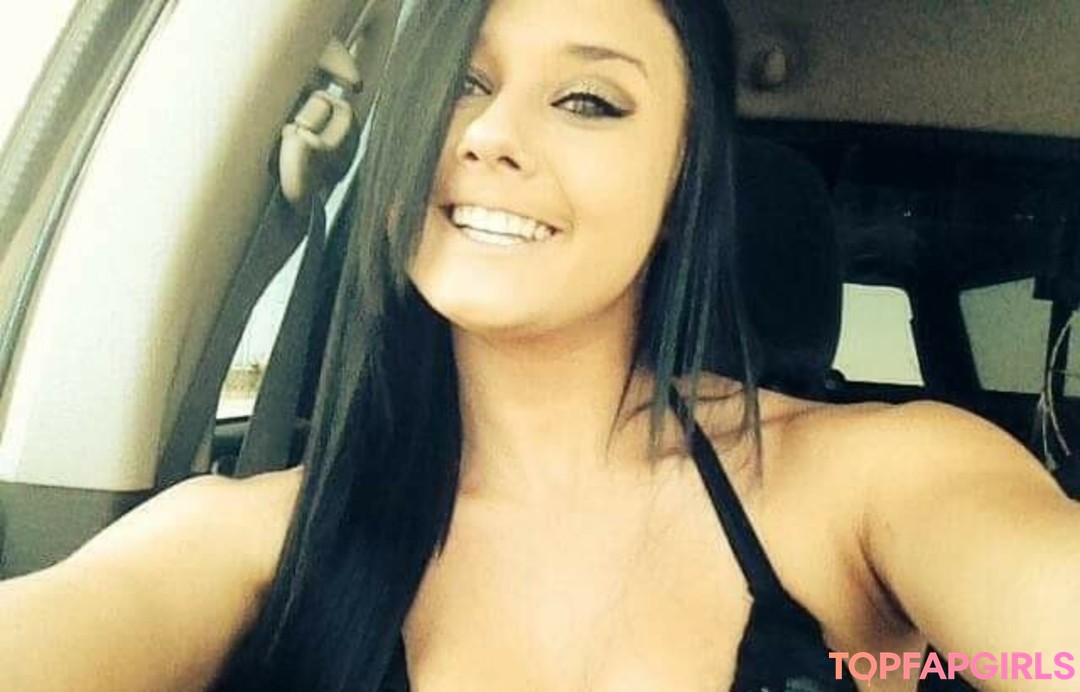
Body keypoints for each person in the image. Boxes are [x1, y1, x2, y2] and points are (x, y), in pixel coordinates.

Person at [1, 0, 1078, 690]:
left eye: (587, 100)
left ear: (681, 187)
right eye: (462, 85)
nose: (490, 135)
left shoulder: (877, 478)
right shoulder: (256, 539)